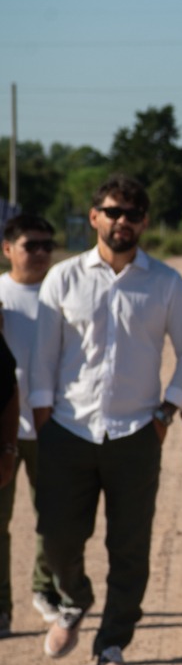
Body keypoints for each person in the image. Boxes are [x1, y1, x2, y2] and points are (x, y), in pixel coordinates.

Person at [29, 174, 182, 665]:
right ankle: (75, 598)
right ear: (94, 217)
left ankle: (112, 646)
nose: (121, 220)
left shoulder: (165, 282)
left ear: (144, 222)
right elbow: (42, 356)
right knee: (57, 538)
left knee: (129, 547)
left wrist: (166, 413)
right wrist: (43, 417)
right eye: (112, 211)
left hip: (136, 432)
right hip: (68, 428)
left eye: (132, 213)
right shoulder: (63, 278)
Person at [2, 213, 58, 636]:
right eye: (30, 245)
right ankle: (1, 605)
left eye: (46, 245)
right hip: (3, 426)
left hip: (49, 423)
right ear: (8, 249)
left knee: (54, 517)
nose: (40, 253)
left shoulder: (60, 294)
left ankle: (45, 589)